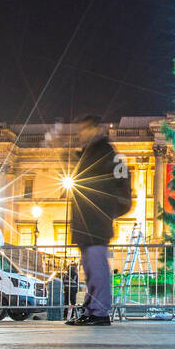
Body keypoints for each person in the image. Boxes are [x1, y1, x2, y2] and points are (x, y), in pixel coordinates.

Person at [64, 115, 132, 326]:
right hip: (86, 220)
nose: (80, 134)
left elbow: (124, 186)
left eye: (84, 129)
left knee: (97, 267)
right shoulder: (89, 155)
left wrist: (109, 209)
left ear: (95, 130)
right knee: (90, 270)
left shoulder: (111, 155)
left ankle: (100, 312)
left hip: (96, 220)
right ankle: (89, 309)